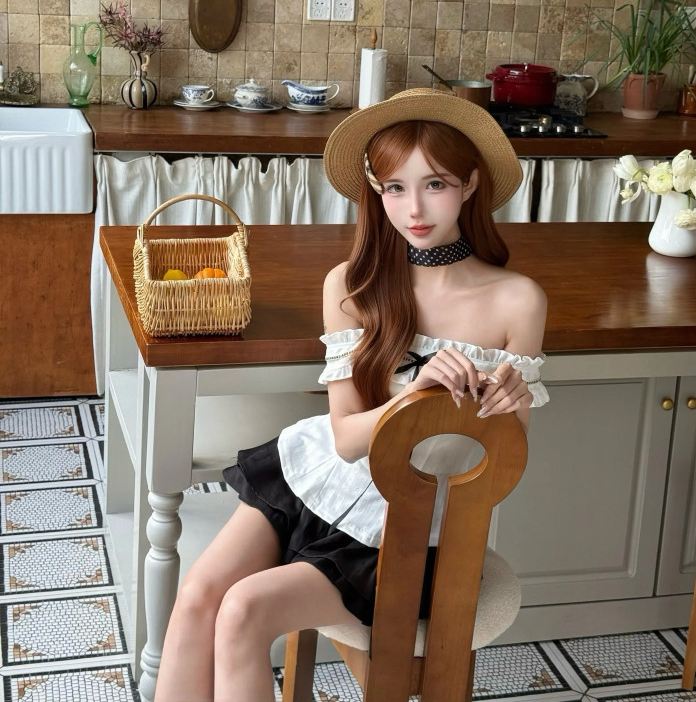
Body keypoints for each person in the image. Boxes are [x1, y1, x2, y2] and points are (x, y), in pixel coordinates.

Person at [155, 88, 548, 702]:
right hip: (317, 477)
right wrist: (416, 395)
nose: (414, 208)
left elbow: (502, 462)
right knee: (199, 596)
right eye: (394, 187)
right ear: (375, 190)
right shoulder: (351, 285)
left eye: (435, 184)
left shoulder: (518, 301)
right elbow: (344, 440)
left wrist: (511, 404)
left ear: (470, 184)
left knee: (242, 612)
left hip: (411, 528)